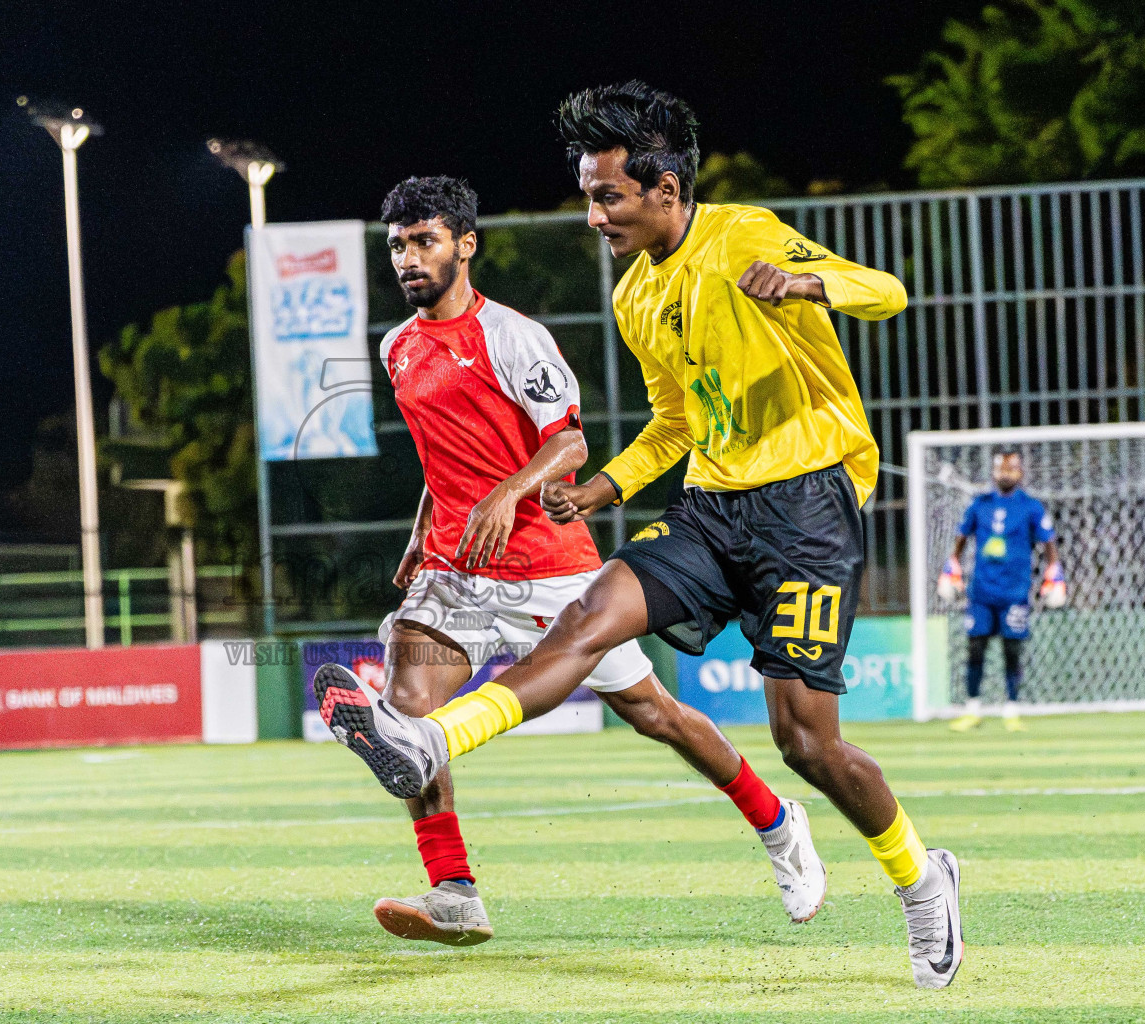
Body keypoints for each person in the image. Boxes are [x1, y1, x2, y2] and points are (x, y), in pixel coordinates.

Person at [316, 82, 964, 989]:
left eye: (607, 196)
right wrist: (603, 489)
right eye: (588, 195)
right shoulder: (635, 295)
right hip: (711, 504)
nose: (593, 216)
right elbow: (675, 422)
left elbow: (886, 291)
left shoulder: (742, 234)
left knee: (807, 744)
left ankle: (919, 876)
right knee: (589, 618)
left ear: (664, 189)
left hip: (809, 506)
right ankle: (429, 749)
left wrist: (808, 281)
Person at [315, 175, 825, 949]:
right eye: (397, 246)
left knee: (658, 716)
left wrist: (505, 495)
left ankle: (778, 821)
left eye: (425, 241)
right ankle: (454, 890)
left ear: (465, 244)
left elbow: (570, 443)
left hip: (548, 567)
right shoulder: (397, 347)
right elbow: (441, 455)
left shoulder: (514, 337)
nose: (409, 259)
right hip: (454, 569)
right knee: (407, 710)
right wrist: (425, 528)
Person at [940, 451, 1062, 732]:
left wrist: (1054, 573)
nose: (1006, 473)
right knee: (975, 648)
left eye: (1012, 468)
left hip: (1015, 591)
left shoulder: (1031, 507)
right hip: (981, 591)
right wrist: (951, 567)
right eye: (1000, 468)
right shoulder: (979, 504)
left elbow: (1049, 544)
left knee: (1012, 649)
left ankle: (1012, 709)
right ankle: (972, 709)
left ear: (1021, 472)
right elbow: (960, 539)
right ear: (993, 472)